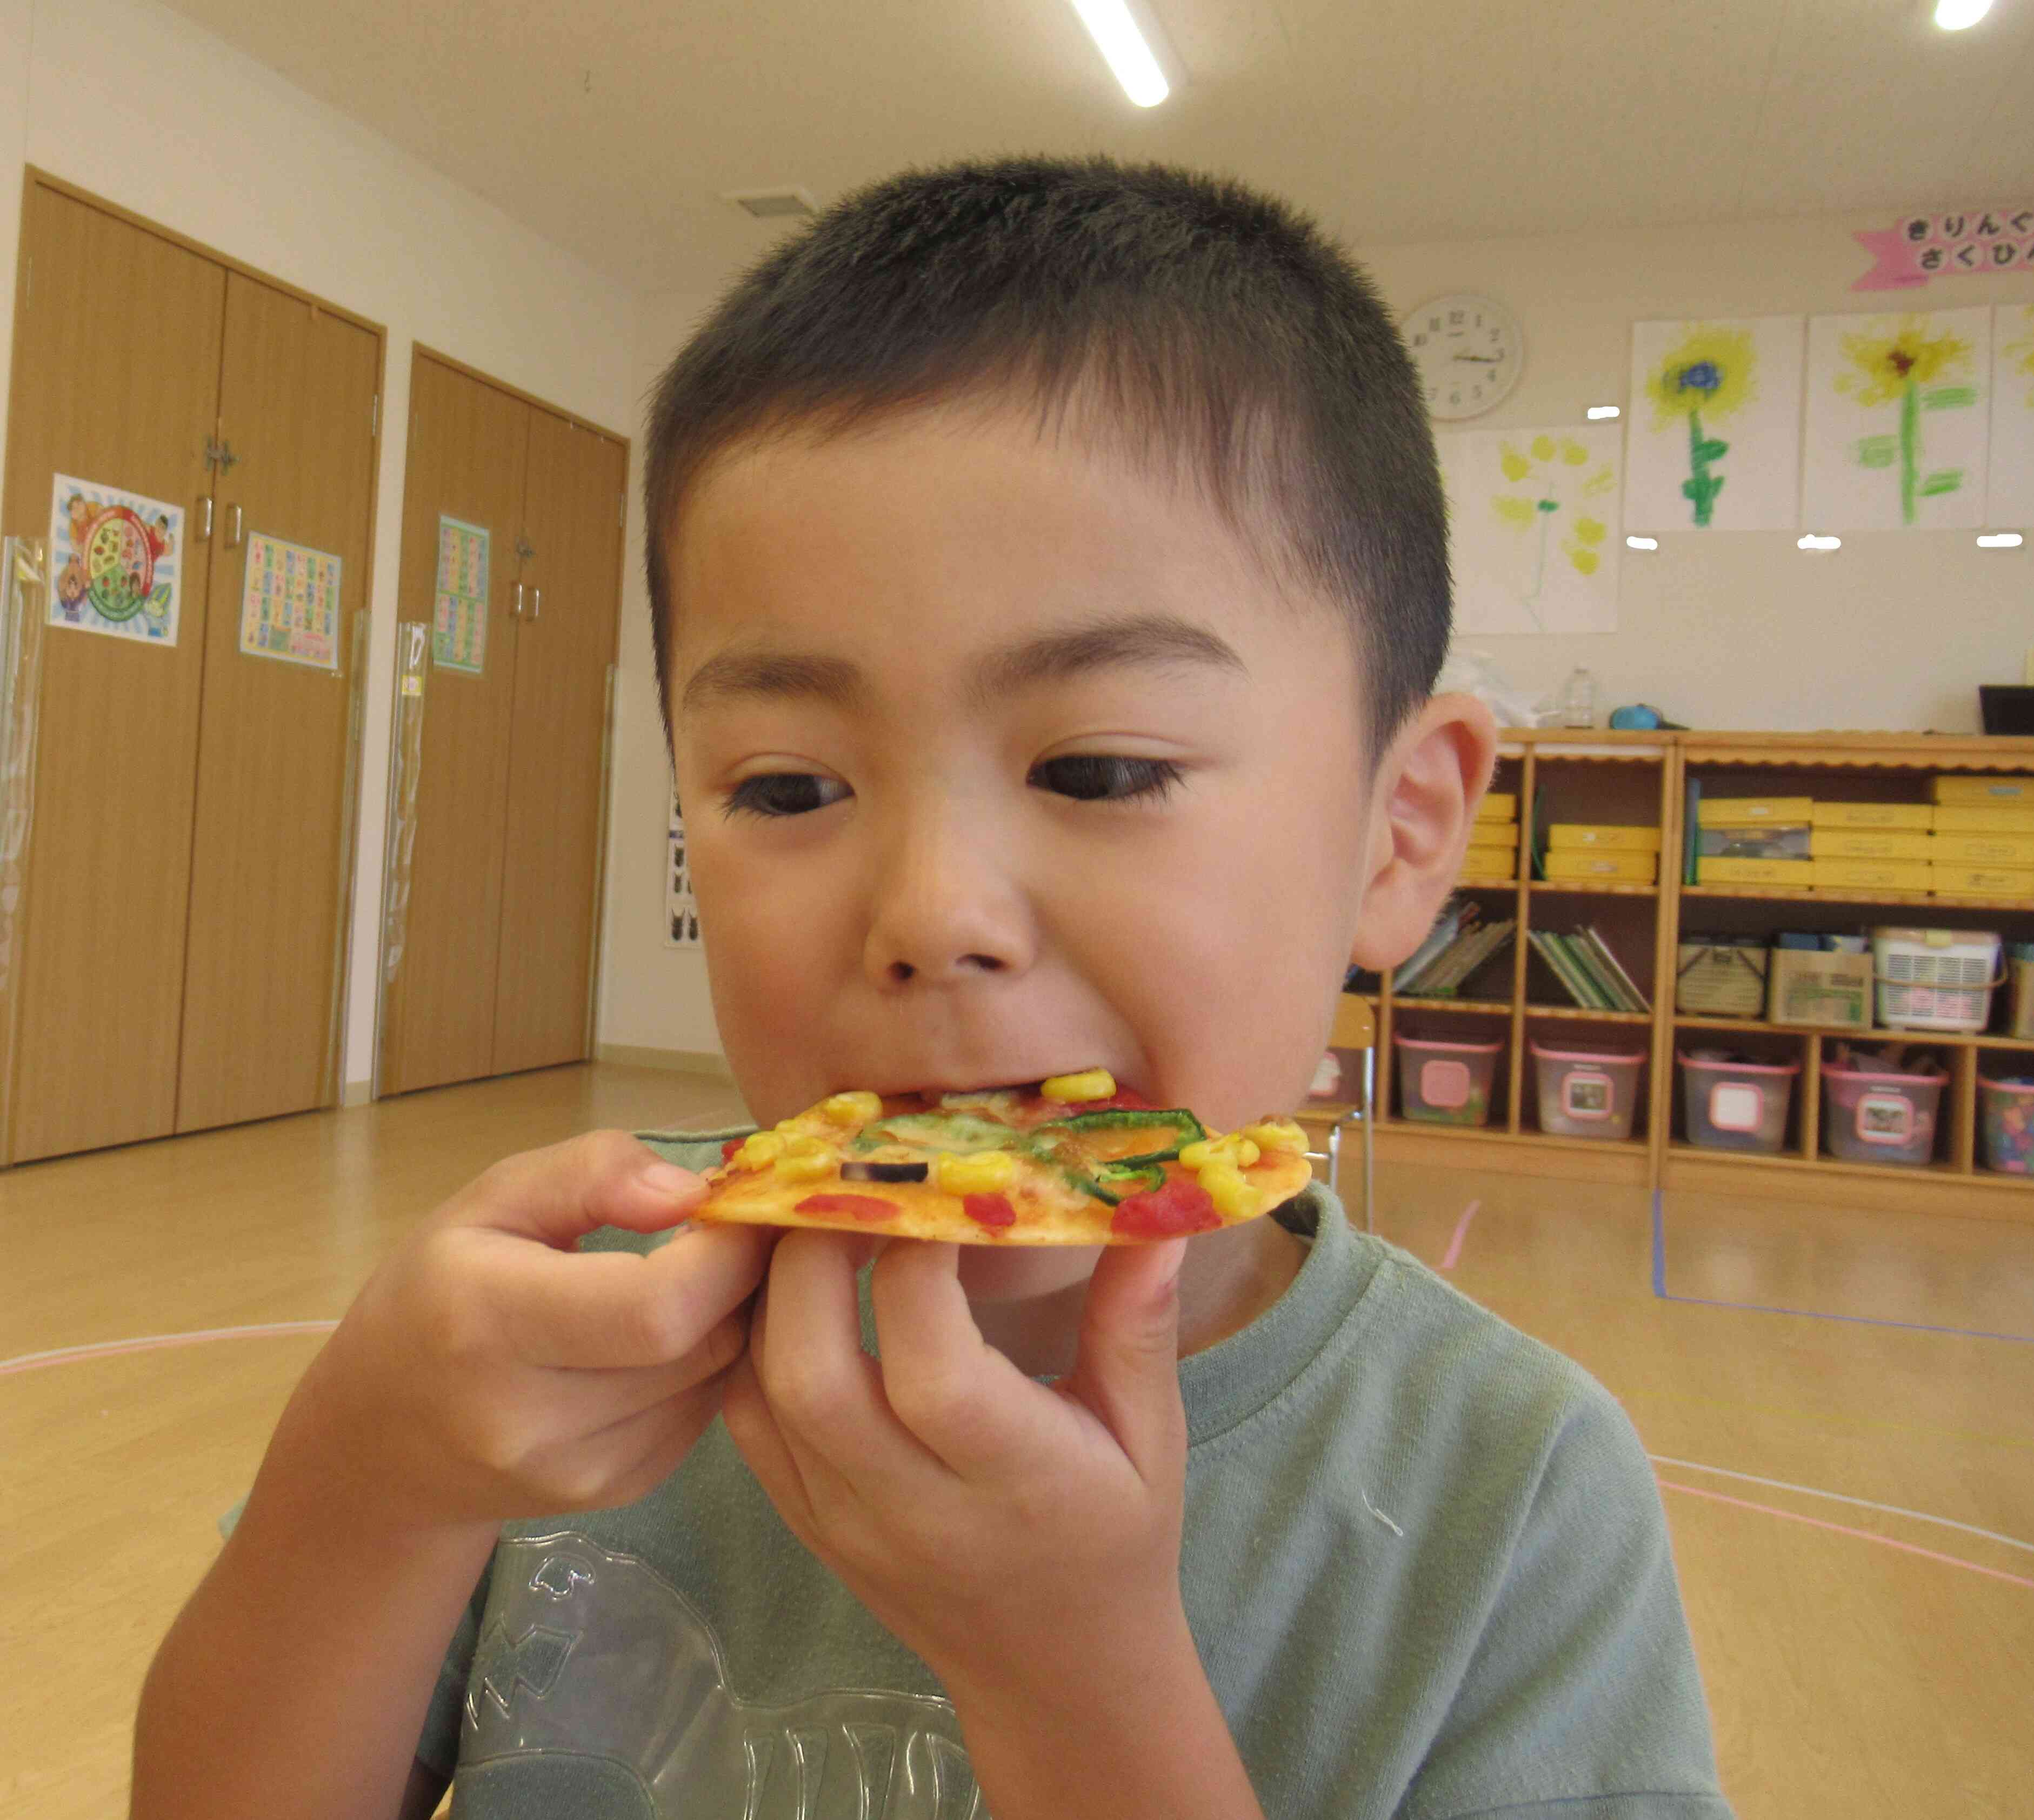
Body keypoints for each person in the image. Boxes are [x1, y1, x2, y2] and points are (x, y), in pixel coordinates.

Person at [134, 156, 1733, 1820]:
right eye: (785, 787)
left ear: (1398, 835)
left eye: (1102, 768)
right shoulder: (570, 1338)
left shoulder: (1508, 1495)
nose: (931, 915)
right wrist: (360, 1489)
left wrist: (1075, 1675)